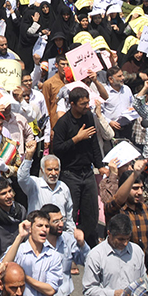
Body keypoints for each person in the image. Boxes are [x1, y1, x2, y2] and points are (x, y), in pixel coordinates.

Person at [51, 87, 103, 248]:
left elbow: (94, 143)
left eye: (88, 102)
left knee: (91, 212)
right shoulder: (63, 123)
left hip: (87, 172)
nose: (87, 106)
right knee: (71, 213)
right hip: (70, 174)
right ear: (72, 104)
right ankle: (69, 247)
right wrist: (76, 139)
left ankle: (88, 246)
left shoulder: (88, 116)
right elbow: (57, 149)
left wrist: (100, 166)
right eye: (83, 104)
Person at [0, 210, 64, 296]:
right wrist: (20, 237)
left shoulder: (53, 256)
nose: (44, 229)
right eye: (40, 226)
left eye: (47, 226)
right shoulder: (19, 250)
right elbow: (2, 269)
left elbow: (51, 290)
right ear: (30, 228)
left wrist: (24, 277)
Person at [82, 214, 146, 296]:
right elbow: (88, 290)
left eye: (128, 239)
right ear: (109, 233)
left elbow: (144, 280)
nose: (125, 243)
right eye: (121, 239)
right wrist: (113, 294)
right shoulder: (95, 256)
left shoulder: (137, 251)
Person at [17, 143, 74, 225]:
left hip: (58, 233)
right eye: (49, 169)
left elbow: (69, 216)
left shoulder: (63, 187)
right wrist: (28, 156)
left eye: (56, 169)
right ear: (42, 170)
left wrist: (71, 234)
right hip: (38, 233)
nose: (53, 173)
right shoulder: (34, 184)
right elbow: (22, 178)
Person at [105, 159, 148, 250]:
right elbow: (118, 200)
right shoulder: (115, 211)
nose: (140, 192)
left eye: (141, 188)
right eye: (135, 188)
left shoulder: (145, 209)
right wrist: (134, 174)